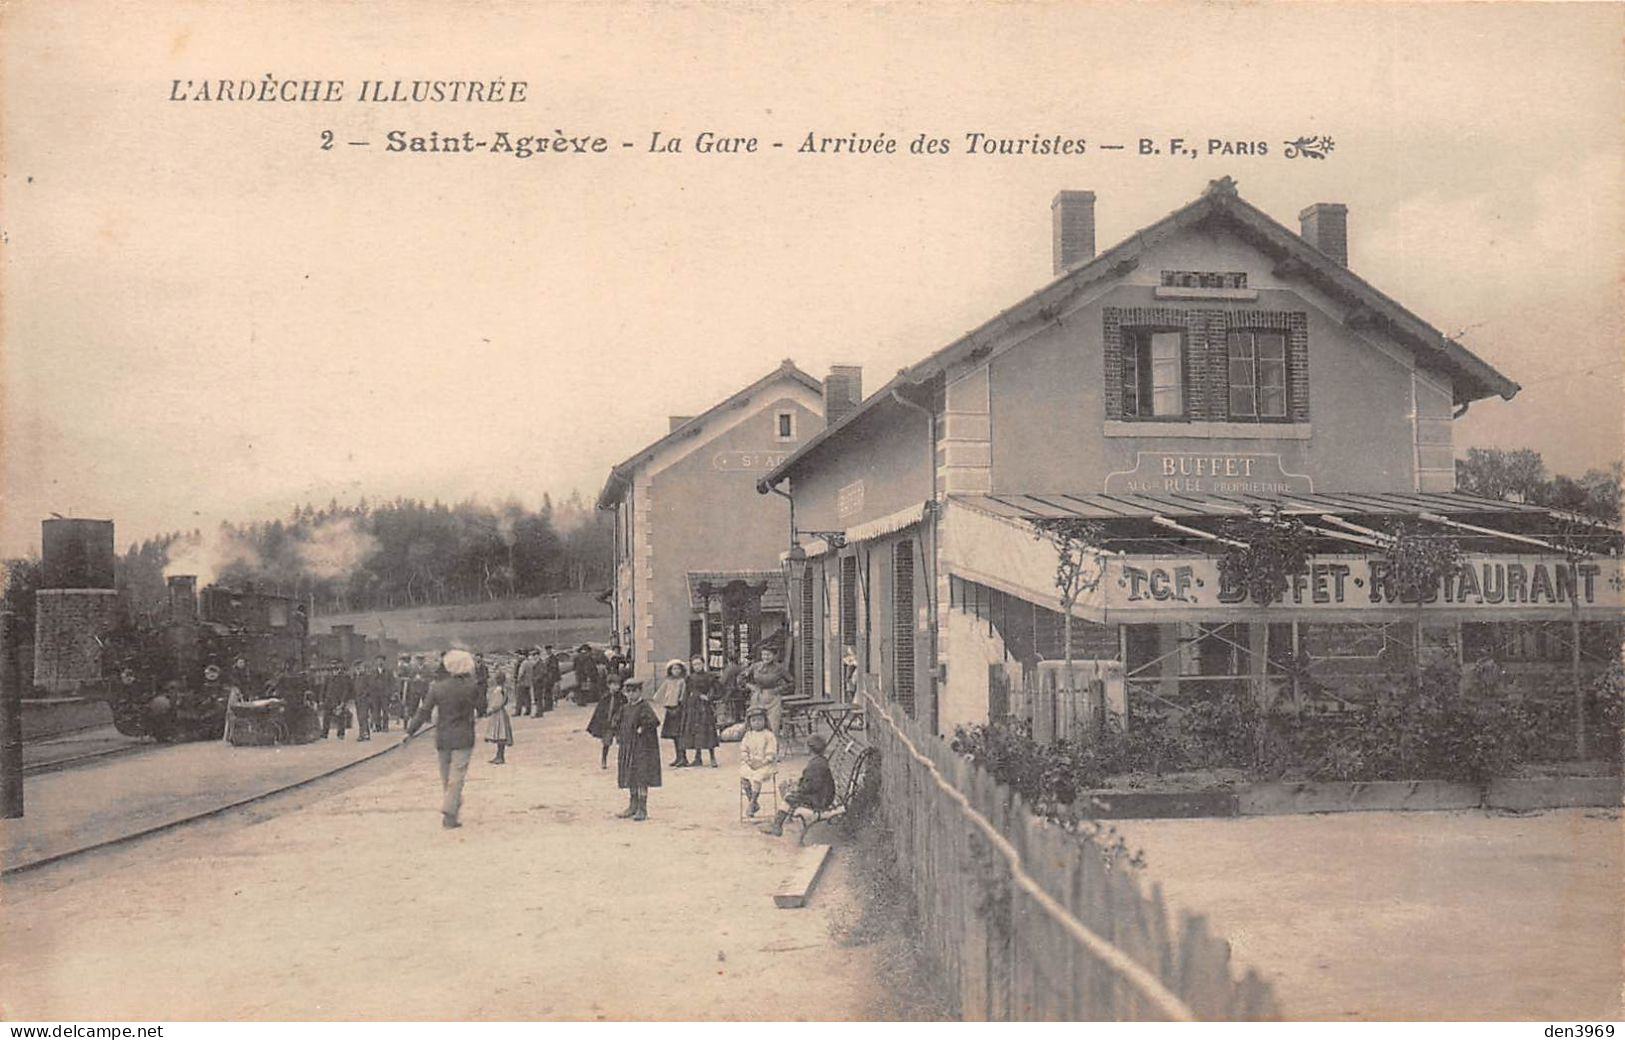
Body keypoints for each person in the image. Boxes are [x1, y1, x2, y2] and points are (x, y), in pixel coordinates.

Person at [406, 648, 483, 829]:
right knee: (457, 776)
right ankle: (450, 810)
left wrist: (410, 731)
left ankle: (451, 813)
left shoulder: (437, 687)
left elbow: (423, 711)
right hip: (463, 737)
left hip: (443, 737)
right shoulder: (472, 687)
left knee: (447, 778)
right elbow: (482, 708)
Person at [760, 734, 837, 836]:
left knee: (789, 797)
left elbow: (812, 786)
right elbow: (811, 782)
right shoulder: (819, 761)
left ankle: (777, 825)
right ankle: (779, 821)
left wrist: (798, 788)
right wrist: (798, 784)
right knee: (789, 790)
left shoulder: (815, 765)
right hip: (822, 795)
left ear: (810, 749)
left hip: (820, 799)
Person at [614, 679, 661, 821]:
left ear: (640, 692)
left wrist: (643, 728)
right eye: (628, 692)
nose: (631, 695)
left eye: (634, 691)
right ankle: (632, 805)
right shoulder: (625, 708)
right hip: (628, 747)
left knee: (641, 776)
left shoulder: (644, 706)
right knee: (630, 775)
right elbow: (617, 721)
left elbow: (654, 721)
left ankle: (642, 808)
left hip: (642, 748)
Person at [679, 655, 720, 768]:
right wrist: (685, 705)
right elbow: (687, 692)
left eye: (699, 664)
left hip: (704, 707)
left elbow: (715, 689)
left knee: (708, 730)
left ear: (703, 664)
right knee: (695, 731)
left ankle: (712, 757)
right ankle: (698, 757)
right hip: (693, 707)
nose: (697, 666)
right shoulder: (690, 678)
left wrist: (709, 697)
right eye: (694, 664)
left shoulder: (709, 677)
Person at [740, 646, 792, 734]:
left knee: (773, 726)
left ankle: (772, 745)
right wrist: (749, 686)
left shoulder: (779, 668)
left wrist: (778, 689)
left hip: (773, 699)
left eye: (768, 655)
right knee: (756, 725)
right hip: (757, 698)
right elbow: (741, 678)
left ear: (774, 656)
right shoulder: (755, 666)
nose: (766, 657)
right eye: (763, 654)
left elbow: (791, 682)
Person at [737, 707, 778, 818]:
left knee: (757, 777)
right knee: (743, 776)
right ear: (749, 722)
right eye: (754, 720)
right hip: (751, 763)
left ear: (765, 721)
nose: (757, 723)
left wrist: (763, 762)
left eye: (760, 720)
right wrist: (748, 761)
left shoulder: (769, 735)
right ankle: (753, 802)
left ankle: (751, 803)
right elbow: (744, 750)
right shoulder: (748, 735)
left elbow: (771, 752)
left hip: (766, 764)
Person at [652, 660, 689, 766]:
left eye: (678, 668)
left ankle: (683, 757)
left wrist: (680, 704)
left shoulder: (682, 681)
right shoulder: (668, 681)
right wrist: (664, 703)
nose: (676, 671)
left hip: (678, 709)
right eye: (674, 669)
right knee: (673, 735)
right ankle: (677, 757)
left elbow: (683, 696)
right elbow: (659, 694)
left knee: (679, 734)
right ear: (670, 670)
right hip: (669, 709)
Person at [586, 674, 626, 769]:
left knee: (622, 742)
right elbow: (599, 711)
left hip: (619, 724)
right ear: (609, 685)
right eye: (614, 684)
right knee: (606, 743)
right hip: (607, 724)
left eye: (618, 685)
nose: (616, 687)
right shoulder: (605, 697)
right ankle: (604, 760)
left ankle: (622, 760)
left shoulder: (622, 698)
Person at [485, 670, 514, 764]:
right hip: (502, 712)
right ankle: (499, 755)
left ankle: (500, 757)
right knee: (501, 735)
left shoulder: (498, 690)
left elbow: (496, 703)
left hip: (498, 714)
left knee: (500, 735)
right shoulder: (504, 689)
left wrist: (490, 710)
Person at [321, 659, 354, 739]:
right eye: (332, 668)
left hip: (338, 700)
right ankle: (325, 733)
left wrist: (343, 702)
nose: (334, 670)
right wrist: (322, 699)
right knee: (326, 717)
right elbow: (324, 689)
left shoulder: (343, 677)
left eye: (336, 668)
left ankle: (341, 733)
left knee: (340, 717)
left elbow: (346, 690)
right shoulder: (328, 677)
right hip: (328, 700)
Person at [364, 655, 392, 733]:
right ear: (376, 662)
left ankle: (385, 726)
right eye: (378, 660)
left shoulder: (388, 671)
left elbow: (392, 683)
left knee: (385, 711)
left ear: (384, 661)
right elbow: (369, 683)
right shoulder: (372, 672)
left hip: (385, 694)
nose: (380, 662)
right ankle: (378, 726)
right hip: (375, 694)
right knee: (376, 711)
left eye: (381, 660)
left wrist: (391, 693)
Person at [515, 648, 536, 717]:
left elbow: (521, 673)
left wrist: (518, 680)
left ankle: (518, 712)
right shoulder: (530, 663)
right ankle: (528, 710)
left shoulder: (523, 663)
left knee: (519, 697)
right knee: (527, 697)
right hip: (528, 682)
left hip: (522, 682)